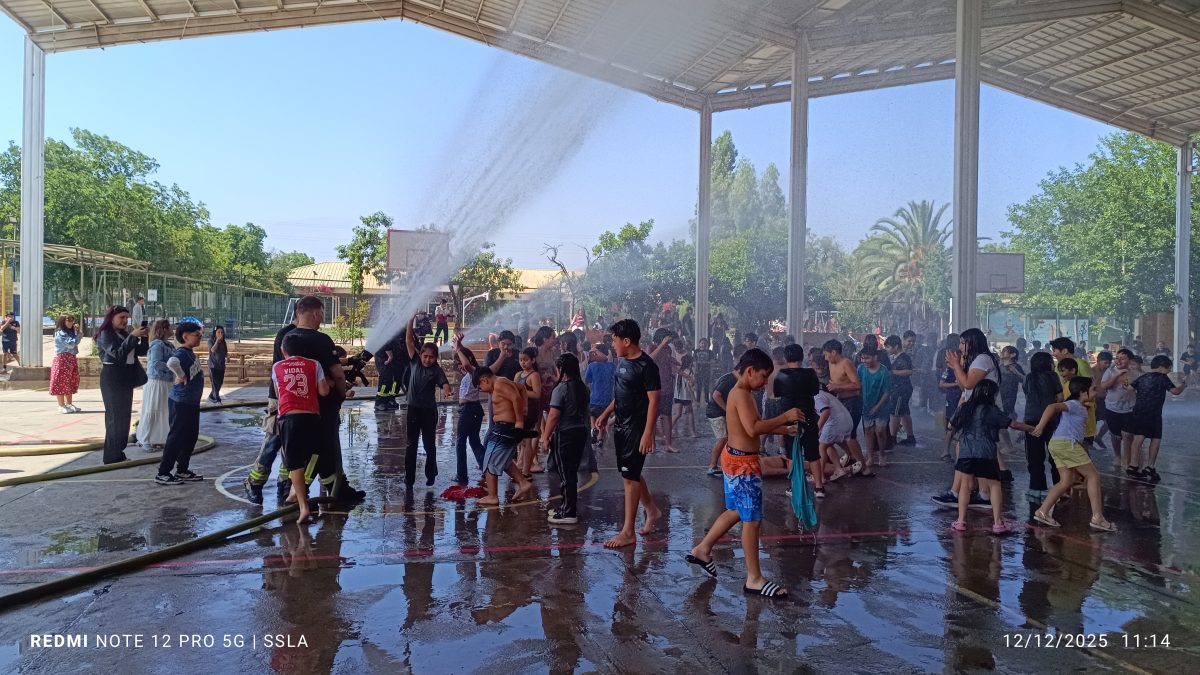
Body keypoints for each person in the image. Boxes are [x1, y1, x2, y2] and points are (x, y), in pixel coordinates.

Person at [686, 348, 803, 598]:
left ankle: (703, 549)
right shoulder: (740, 394)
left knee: (738, 511)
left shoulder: (743, 393)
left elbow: (748, 428)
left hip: (735, 459)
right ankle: (754, 578)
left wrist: (785, 429)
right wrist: (785, 417)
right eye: (763, 376)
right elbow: (753, 428)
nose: (764, 383)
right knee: (751, 520)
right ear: (749, 371)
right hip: (743, 465)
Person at [278, 296, 363, 503]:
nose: (321, 318)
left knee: (315, 450)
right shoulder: (321, 339)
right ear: (316, 313)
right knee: (320, 448)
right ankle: (299, 491)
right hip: (322, 406)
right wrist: (341, 392)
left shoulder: (287, 338)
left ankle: (338, 488)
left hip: (293, 408)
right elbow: (338, 375)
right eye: (321, 314)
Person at [593, 319, 663, 549]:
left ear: (626, 340)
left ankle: (628, 531)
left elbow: (654, 402)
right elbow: (622, 394)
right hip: (621, 426)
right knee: (630, 472)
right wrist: (606, 413)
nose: (612, 345)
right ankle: (651, 510)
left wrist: (648, 433)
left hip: (636, 428)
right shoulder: (622, 363)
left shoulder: (647, 366)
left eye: (614, 340)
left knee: (630, 478)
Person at [948, 380, 1034, 534]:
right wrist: (1034, 428)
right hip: (987, 452)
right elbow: (1013, 424)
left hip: (967, 451)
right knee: (994, 485)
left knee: (965, 487)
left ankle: (960, 521)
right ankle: (997, 523)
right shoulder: (991, 410)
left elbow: (951, 426)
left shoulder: (965, 407)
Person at [1031, 377, 1116, 532]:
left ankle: (1042, 512)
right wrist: (1040, 426)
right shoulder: (1074, 405)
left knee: (1066, 481)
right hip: (1066, 444)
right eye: (1093, 390)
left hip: (1057, 443)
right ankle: (1098, 517)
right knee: (1093, 476)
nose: (1096, 392)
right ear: (1083, 393)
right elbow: (1052, 407)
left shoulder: (1080, 406)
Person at [273, 331, 331, 524]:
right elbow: (323, 392)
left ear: (283, 350)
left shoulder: (277, 366)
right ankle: (293, 493)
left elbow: (279, 393)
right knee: (312, 454)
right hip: (312, 417)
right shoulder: (314, 364)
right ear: (305, 351)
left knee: (293, 461)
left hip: (288, 418)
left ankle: (303, 505)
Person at [245, 318, 297, 504]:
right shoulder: (288, 335)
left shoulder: (300, 334)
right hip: (280, 396)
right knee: (274, 440)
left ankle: (284, 483)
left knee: (291, 442)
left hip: (297, 396)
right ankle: (254, 482)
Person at [96, 305, 149, 464]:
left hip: (126, 377)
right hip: (112, 377)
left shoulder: (124, 334)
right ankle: (111, 456)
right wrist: (132, 336)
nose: (125, 321)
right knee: (115, 417)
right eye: (121, 318)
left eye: (127, 318)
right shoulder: (105, 334)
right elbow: (118, 354)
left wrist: (144, 337)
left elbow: (140, 352)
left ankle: (118, 452)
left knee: (124, 417)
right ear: (111, 318)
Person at [474, 366, 535, 505]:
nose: (482, 390)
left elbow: (515, 397)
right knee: (505, 461)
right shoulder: (502, 381)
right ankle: (523, 483)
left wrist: (520, 420)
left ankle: (492, 496)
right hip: (503, 427)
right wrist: (524, 410)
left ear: (484, 380)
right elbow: (522, 389)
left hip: (505, 428)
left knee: (489, 461)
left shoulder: (500, 383)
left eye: (480, 386)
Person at [542, 352, 590, 525]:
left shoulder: (561, 389)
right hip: (580, 432)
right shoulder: (582, 388)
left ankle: (568, 511)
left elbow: (554, 415)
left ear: (561, 369)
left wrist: (545, 437)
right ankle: (565, 506)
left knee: (566, 473)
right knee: (571, 471)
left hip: (566, 434)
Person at [405, 314, 453, 488]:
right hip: (413, 409)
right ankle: (408, 477)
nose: (427, 360)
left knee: (428, 444)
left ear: (436, 358)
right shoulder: (415, 362)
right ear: (421, 355)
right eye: (425, 356)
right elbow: (409, 341)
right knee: (411, 444)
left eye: (431, 357)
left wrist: (447, 390)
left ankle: (431, 472)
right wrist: (410, 322)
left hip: (428, 411)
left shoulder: (436, 370)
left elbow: (444, 383)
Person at [157, 321, 206, 485]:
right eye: (197, 335)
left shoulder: (190, 353)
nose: (200, 338)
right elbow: (172, 363)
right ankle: (163, 472)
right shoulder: (182, 353)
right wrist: (181, 375)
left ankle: (182, 469)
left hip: (191, 403)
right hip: (181, 402)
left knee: (190, 436)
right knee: (176, 437)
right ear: (185, 336)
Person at [1126, 355, 1186, 482]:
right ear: (1160, 368)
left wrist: (1138, 398)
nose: (1169, 371)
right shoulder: (1163, 378)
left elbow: (1130, 388)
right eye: (1168, 368)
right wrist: (1183, 385)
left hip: (1139, 411)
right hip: (1153, 413)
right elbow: (1175, 392)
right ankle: (1150, 466)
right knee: (1156, 438)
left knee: (1138, 438)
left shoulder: (1143, 377)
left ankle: (1133, 465)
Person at [774, 344, 822, 496]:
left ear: (786, 358)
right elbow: (815, 391)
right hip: (808, 416)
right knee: (813, 454)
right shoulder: (810, 373)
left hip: (789, 418)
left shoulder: (782, 374)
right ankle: (819, 488)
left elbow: (777, 393)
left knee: (791, 454)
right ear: (803, 357)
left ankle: (794, 486)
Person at [822, 339, 872, 476]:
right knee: (837, 435)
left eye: (827, 354)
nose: (826, 358)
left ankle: (864, 468)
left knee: (850, 435)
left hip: (852, 401)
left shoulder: (846, 363)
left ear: (834, 352)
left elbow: (857, 385)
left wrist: (838, 387)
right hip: (840, 401)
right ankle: (853, 458)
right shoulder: (831, 363)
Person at [1022, 352, 1063, 501]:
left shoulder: (1029, 377)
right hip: (1051, 420)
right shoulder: (1053, 376)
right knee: (1055, 455)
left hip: (1031, 419)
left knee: (1034, 455)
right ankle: (1059, 487)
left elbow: (1027, 394)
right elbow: (1059, 397)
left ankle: (1036, 488)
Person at [452, 331, 486, 485]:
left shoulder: (474, 372)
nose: (459, 366)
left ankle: (462, 476)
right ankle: (487, 468)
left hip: (469, 410)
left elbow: (466, 363)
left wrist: (459, 350)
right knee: (473, 440)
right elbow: (466, 361)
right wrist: (459, 346)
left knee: (460, 442)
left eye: (459, 362)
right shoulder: (471, 373)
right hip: (473, 409)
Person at [136, 320, 174, 450]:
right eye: (169, 327)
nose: (172, 329)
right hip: (157, 382)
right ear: (163, 329)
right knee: (152, 409)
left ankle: (159, 438)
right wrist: (172, 367)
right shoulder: (157, 345)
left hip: (167, 382)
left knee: (164, 411)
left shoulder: (169, 345)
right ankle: (145, 439)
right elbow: (156, 363)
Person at [1101, 348, 1138, 477]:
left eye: (1122, 358)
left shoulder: (1134, 373)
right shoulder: (1110, 371)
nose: (1118, 360)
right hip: (1112, 407)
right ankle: (1117, 455)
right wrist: (1117, 375)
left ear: (1130, 360)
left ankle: (1126, 460)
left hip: (1129, 408)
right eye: (1117, 358)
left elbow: (1139, 389)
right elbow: (1104, 386)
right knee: (1115, 435)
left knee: (1128, 435)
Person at [857, 347, 891, 468]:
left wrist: (877, 407)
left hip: (882, 406)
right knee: (869, 431)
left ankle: (882, 453)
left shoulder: (883, 371)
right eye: (862, 358)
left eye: (867, 358)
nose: (864, 360)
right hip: (866, 405)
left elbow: (887, 393)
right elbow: (858, 385)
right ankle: (870, 456)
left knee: (880, 431)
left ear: (875, 357)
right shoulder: (861, 369)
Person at [814, 384, 857, 482]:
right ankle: (838, 469)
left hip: (836, 423)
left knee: (821, 446)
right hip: (846, 421)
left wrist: (817, 429)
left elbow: (825, 412)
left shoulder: (816, 397)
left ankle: (820, 477)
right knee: (827, 444)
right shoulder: (823, 394)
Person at [515, 346, 545, 476]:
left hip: (531, 411)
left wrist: (522, 391)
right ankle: (521, 462)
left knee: (527, 440)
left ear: (532, 360)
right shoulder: (518, 374)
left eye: (525, 360)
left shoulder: (534, 375)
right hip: (520, 410)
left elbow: (537, 394)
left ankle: (526, 469)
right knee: (520, 440)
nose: (523, 363)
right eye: (521, 360)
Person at [705, 368, 738, 476]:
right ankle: (712, 466)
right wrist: (727, 409)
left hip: (718, 412)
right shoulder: (729, 380)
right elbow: (716, 395)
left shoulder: (729, 377)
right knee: (723, 438)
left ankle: (725, 463)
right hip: (715, 412)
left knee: (727, 437)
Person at [885, 335, 915, 446]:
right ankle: (910, 436)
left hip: (901, 389)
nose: (887, 349)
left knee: (894, 413)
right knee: (904, 413)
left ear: (896, 346)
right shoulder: (898, 357)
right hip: (901, 388)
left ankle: (892, 438)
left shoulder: (903, 358)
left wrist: (893, 372)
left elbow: (909, 371)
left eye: (888, 347)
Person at [584, 343, 616, 449]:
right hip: (608, 399)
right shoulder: (612, 366)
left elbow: (587, 380)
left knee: (592, 415)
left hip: (594, 398)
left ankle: (593, 429)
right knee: (604, 419)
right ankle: (600, 437)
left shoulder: (591, 366)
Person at [50, 315, 82, 413]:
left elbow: (75, 343)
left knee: (70, 381)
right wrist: (79, 335)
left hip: (71, 358)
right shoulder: (60, 333)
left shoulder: (72, 332)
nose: (71, 322)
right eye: (68, 320)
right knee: (61, 382)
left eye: (72, 320)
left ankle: (69, 404)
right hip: (62, 359)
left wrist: (78, 332)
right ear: (63, 321)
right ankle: (61, 405)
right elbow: (71, 344)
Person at [997, 345, 1026, 453]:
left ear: (1013, 355)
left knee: (1000, 423)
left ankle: (1010, 445)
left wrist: (1015, 371)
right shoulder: (1000, 366)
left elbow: (1024, 380)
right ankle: (1021, 433)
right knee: (1007, 420)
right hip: (999, 397)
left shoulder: (1015, 366)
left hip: (1008, 398)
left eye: (1005, 352)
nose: (1002, 353)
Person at [374, 328, 409, 411]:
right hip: (384, 357)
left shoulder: (404, 329)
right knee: (386, 379)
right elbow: (386, 342)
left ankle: (391, 399)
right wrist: (390, 355)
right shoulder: (391, 327)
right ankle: (380, 402)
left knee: (397, 380)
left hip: (397, 358)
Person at [672, 353, 697, 438]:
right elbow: (691, 387)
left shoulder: (680, 372)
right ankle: (692, 433)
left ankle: (667, 431)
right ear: (690, 363)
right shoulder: (689, 372)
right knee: (690, 413)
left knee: (677, 414)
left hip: (677, 396)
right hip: (686, 396)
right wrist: (694, 400)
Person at [206, 326, 228, 404]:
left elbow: (225, 351)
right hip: (213, 366)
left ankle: (211, 396)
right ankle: (217, 399)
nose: (220, 334)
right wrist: (217, 341)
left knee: (220, 383)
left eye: (222, 332)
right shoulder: (211, 341)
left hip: (221, 366)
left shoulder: (224, 342)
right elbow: (213, 350)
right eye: (218, 332)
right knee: (215, 384)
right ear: (215, 333)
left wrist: (227, 357)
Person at [693, 338, 713, 404]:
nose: (703, 344)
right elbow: (694, 361)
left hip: (706, 371)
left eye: (704, 343)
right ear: (699, 344)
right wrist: (695, 371)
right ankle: (698, 400)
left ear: (707, 344)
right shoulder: (696, 351)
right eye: (702, 343)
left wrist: (705, 363)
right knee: (698, 386)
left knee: (706, 386)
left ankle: (707, 400)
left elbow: (712, 361)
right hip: (698, 371)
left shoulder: (710, 352)